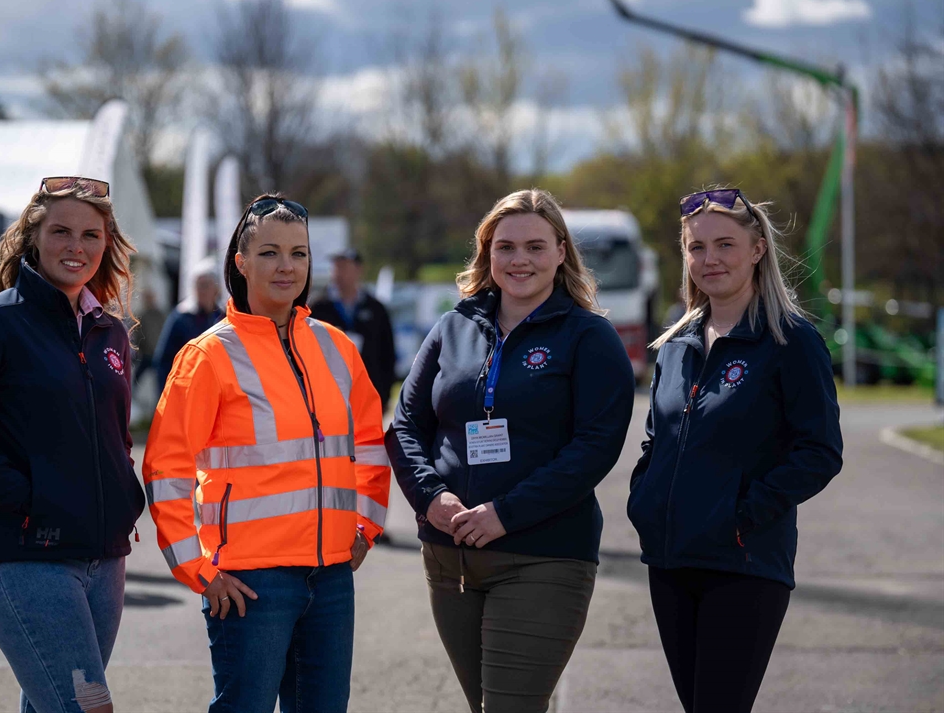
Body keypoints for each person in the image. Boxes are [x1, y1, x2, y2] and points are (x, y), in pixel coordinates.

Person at [386, 189, 635, 713]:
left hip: (542, 556)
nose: (520, 259)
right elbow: (405, 423)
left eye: (535, 246)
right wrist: (430, 499)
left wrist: (506, 513)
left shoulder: (589, 338)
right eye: (505, 247)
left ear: (561, 252)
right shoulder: (453, 328)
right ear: (487, 253)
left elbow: (595, 447)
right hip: (449, 555)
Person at [142, 194, 391, 713]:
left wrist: (366, 528)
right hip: (250, 584)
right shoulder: (207, 355)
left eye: (298, 254)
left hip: (330, 578)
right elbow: (166, 469)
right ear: (241, 261)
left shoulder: (336, 348)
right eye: (270, 253)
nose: (286, 266)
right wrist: (198, 570)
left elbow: (369, 442)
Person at [0, 177, 145, 713]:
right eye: (61, 231)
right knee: (86, 706)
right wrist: (31, 497)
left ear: (106, 244)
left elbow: (114, 435)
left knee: (49, 704)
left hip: (104, 557)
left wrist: (121, 498)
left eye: (92, 235)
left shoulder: (109, 331)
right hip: (23, 553)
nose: (77, 246)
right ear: (32, 236)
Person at [628, 188, 843, 713]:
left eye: (725, 244)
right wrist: (646, 499)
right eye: (696, 247)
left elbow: (820, 451)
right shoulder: (675, 345)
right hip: (670, 562)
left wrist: (744, 515)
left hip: (743, 564)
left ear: (757, 250)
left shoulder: (790, 340)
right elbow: (659, 437)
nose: (710, 259)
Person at [309, 248, 396, 412]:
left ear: (358, 270)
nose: (339, 273)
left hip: (368, 393)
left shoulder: (376, 308)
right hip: (328, 395)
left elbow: (388, 353)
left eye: (344, 267)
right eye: (336, 267)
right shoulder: (318, 306)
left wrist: (384, 396)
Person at [153, 259, 224, 392]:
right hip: (187, 390)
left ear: (216, 287)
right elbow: (163, 361)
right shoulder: (181, 317)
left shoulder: (223, 317)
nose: (201, 290)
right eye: (198, 285)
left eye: (206, 285)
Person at [132, 288, 166, 387]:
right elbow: (137, 334)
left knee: (160, 376)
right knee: (137, 377)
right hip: (146, 353)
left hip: (158, 352)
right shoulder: (141, 315)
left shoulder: (160, 315)